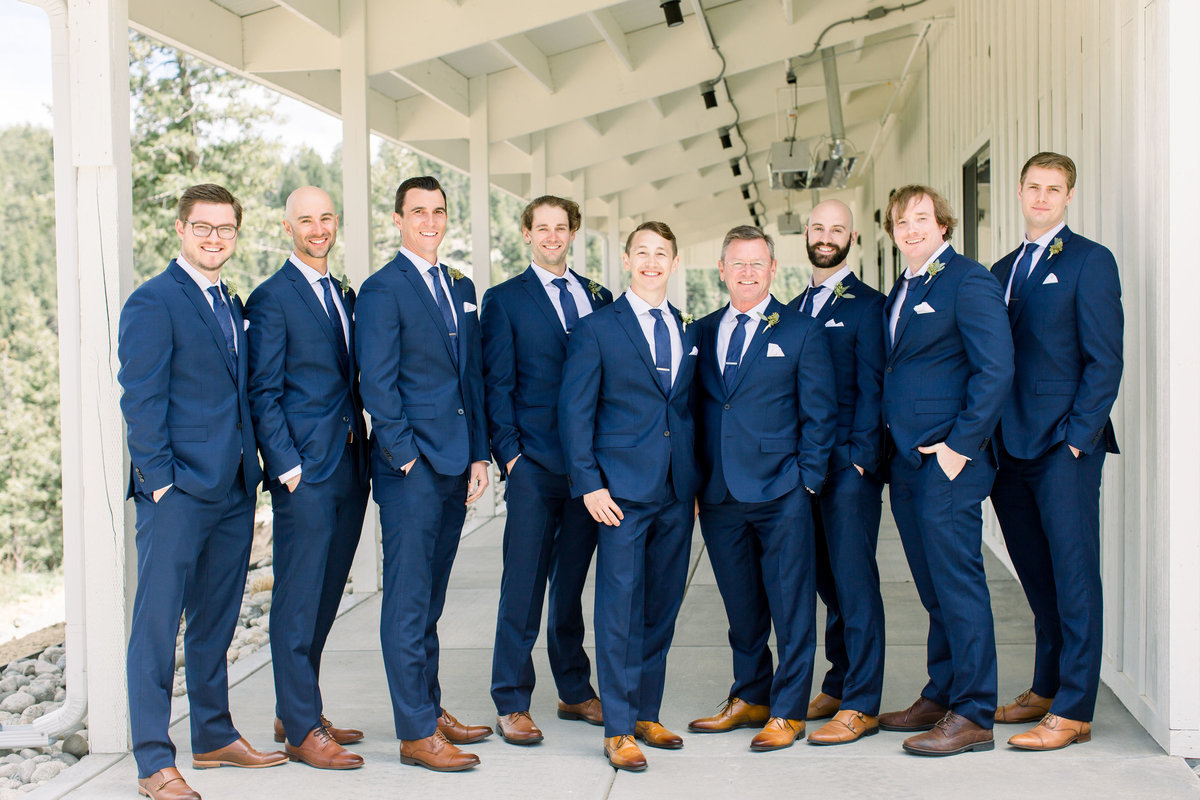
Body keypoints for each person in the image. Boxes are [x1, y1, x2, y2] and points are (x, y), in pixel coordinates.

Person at [118, 183, 286, 800]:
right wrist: (160, 483)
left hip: (235, 488)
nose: (214, 239)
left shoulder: (230, 301)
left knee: (215, 618)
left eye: (225, 229)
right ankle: (153, 761)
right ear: (182, 230)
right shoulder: (153, 302)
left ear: (235, 235)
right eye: (203, 228)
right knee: (158, 626)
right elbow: (140, 400)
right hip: (178, 493)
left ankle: (213, 733)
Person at [354, 176, 493, 772]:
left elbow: (473, 377)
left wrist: (480, 453)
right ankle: (414, 733)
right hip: (411, 468)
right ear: (398, 219)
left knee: (432, 598)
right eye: (418, 212)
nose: (430, 221)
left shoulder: (460, 286)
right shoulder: (382, 289)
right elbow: (377, 382)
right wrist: (405, 456)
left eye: (438, 211)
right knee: (408, 601)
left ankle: (429, 707)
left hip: (456, 462)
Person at [989, 152, 1123, 750]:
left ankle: (1074, 707)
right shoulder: (1000, 270)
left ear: (1069, 196)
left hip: (1063, 447)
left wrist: (1077, 440)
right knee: (1036, 575)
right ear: (1019, 192)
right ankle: (1045, 686)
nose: (1042, 197)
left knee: (1073, 578)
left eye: (1055, 189)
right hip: (1009, 448)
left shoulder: (1091, 261)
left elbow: (1105, 360)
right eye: (1034, 187)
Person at [687, 225, 837, 751]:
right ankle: (750, 695)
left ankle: (790, 709)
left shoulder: (801, 330)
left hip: (782, 492)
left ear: (774, 269)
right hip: (722, 493)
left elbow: (820, 414)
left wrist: (806, 483)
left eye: (758, 263)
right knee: (741, 606)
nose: (747, 272)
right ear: (721, 270)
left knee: (792, 604)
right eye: (737, 263)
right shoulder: (700, 332)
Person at [876, 185, 1014, 756]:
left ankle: (975, 710)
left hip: (949, 462)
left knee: (958, 583)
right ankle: (942, 692)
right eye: (901, 221)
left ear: (944, 224)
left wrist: (961, 446)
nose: (911, 228)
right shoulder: (902, 289)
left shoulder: (968, 279)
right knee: (933, 588)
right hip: (906, 461)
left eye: (922, 219)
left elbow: (995, 367)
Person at [559, 221, 699, 772]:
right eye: (641, 253)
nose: (650, 262)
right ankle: (617, 727)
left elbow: (682, 412)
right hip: (617, 492)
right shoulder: (597, 329)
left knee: (662, 607)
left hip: (674, 490)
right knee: (619, 609)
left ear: (674, 261)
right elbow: (575, 412)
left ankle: (645, 712)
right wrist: (589, 483)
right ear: (626, 259)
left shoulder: (684, 327)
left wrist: (691, 483)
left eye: (660, 253)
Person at [244, 186, 369, 770]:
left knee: (324, 595)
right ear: (287, 225)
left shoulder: (341, 293)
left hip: (350, 465)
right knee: (298, 598)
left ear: (334, 223)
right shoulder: (272, 298)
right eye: (305, 220)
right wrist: (287, 465)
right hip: (306, 473)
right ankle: (299, 731)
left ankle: (298, 707)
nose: (317, 229)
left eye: (325, 219)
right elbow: (263, 391)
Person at [481, 196, 612, 745]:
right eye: (542, 228)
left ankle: (574, 690)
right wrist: (512, 456)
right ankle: (511, 699)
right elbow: (497, 384)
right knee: (524, 584)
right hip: (534, 463)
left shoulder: (601, 297)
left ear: (574, 232)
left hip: (588, 469)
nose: (552, 236)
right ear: (527, 234)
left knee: (571, 586)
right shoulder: (504, 300)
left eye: (561, 227)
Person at [787, 200, 888, 745]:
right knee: (825, 579)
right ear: (807, 234)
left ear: (852, 237)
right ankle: (839, 677)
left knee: (853, 581)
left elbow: (876, 385)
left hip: (848, 465)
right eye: (818, 228)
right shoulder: (794, 305)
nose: (827, 237)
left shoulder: (869, 305)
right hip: (806, 465)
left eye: (837, 229)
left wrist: (860, 458)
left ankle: (863, 702)